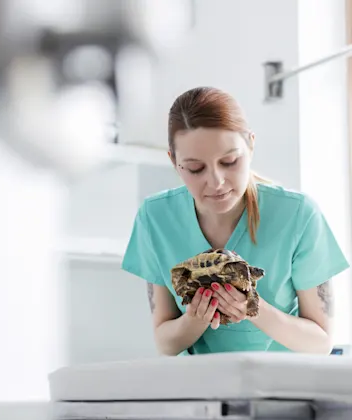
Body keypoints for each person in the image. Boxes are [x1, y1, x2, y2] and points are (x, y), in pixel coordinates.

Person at [121, 86, 350, 356]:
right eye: (196, 168)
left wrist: (254, 308)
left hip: (284, 388)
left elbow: (320, 342)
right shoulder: (155, 218)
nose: (216, 182)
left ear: (250, 145)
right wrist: (194, 320)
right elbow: (165, 342)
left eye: (229, 161)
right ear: (174, 161)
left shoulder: (299, 215)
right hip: (199, 388)